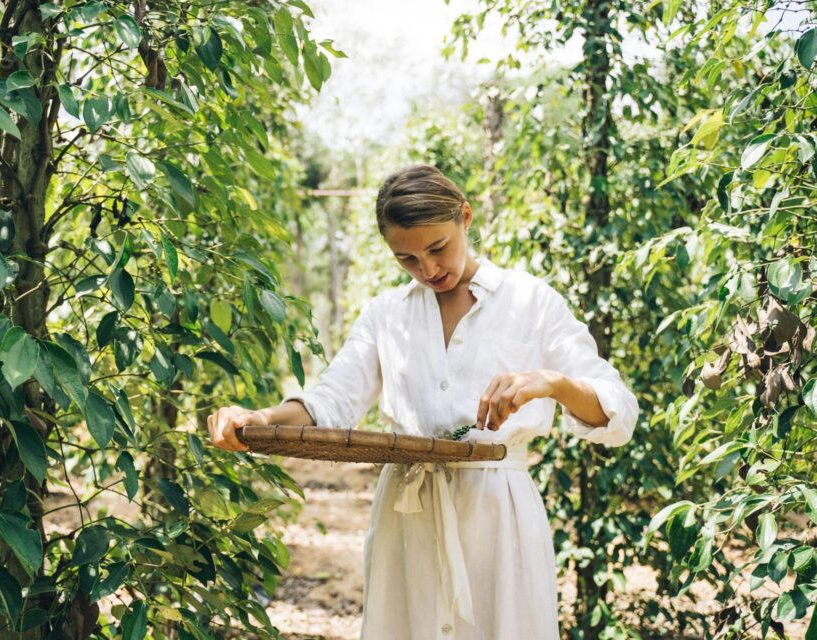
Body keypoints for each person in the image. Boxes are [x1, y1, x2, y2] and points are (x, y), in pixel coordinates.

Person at [206, 164, 639, 639]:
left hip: (499, 515)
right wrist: (261, 418)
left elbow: (617, 412)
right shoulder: (386, 315)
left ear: (465, 218)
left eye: (438, 248)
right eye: (407, 259)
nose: (429, 270)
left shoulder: (531, 302)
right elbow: (330, 401)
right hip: (406, 516)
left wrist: (553, 383)